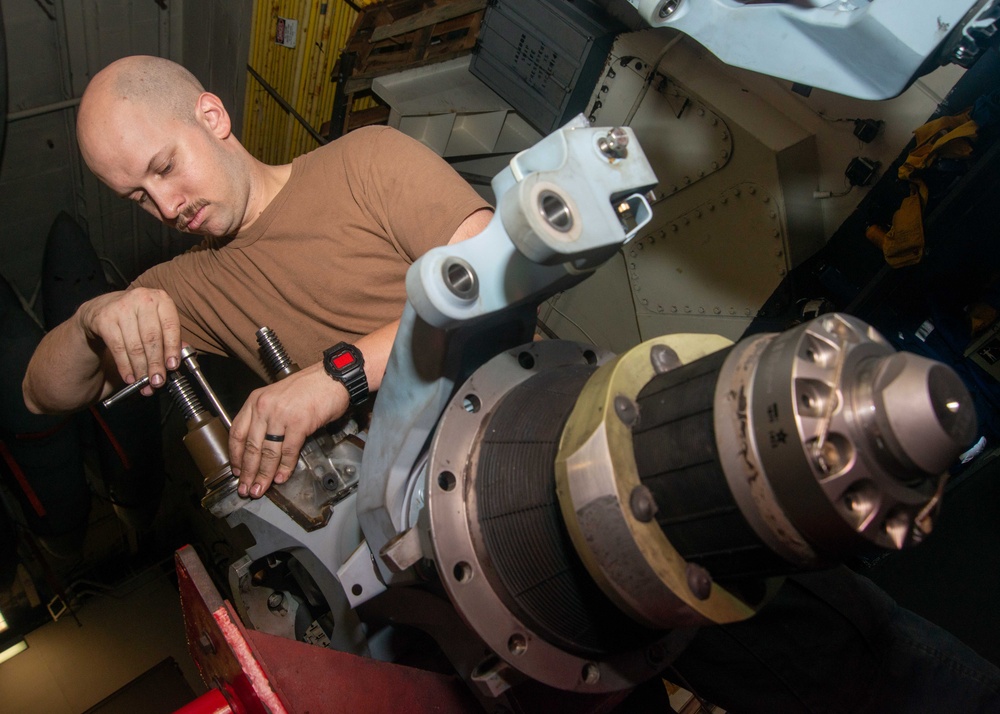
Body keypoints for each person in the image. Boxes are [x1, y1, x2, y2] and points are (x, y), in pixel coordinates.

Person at [21, 55, 492, 500]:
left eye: (165, 168)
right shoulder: (189, 289)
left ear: (212, 117)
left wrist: (336, 377)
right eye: (139, 197)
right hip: (409, 502)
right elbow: (41, 394)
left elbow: (494, 275)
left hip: (509, 426)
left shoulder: (366, 163)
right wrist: (91, 316)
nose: (166, 208)